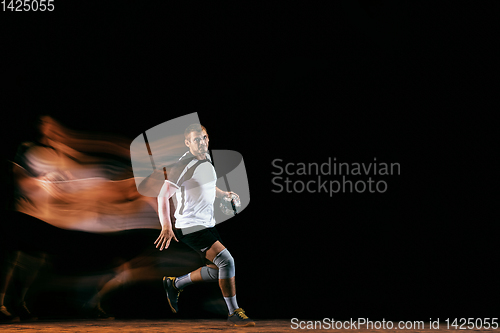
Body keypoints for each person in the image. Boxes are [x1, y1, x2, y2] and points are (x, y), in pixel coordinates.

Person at [154, 124, 255, 327]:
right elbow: (162, 195)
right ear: (188, 143)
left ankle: (175, 283)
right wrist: (166, 225)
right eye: (197, 139)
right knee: (227, 262)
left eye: (205, 137)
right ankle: (234, 312)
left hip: (206, 224)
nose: (202, 142)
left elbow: (206, 183)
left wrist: (223, 194)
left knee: (219, 271)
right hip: (189, 226)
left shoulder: (205, 158)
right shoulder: (183, 165)